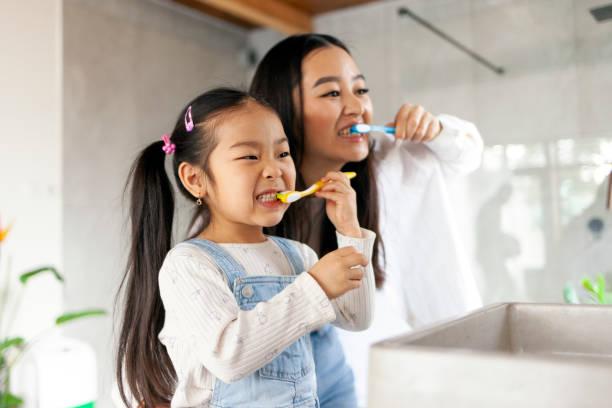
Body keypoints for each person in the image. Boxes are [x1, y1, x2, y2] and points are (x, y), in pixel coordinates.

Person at [250, 33, 484, 405]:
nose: (356, 106)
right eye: (331, 93)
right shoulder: (255, 205)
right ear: (282, 111)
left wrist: (437, 130)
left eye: (360, 90)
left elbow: (468, 153)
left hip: (422, 376)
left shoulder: (393, 160)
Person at [115, 88, 376, 407]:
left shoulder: (298, 255)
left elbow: (357, 317)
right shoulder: (189, 263)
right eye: (250, 156)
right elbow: (229, 357)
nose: (274, 170)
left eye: (282, 154)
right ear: (195, 179)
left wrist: (349, 230)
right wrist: (315, 287)